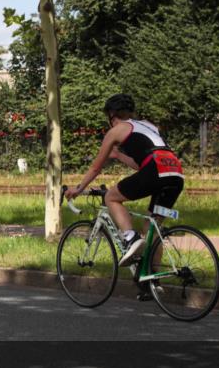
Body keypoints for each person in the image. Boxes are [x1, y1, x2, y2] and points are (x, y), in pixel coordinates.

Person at [65, 94, 185, 273]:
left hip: (155, 170)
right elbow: (141, 165)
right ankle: (152, 280)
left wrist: (78, 188)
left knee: (111, 197)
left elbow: (96, 168)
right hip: (175, 173)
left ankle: (130, 237)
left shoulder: (115, 131)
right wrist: (119, 155)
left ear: (112, 114)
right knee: (152, 228)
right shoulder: (149, 125)